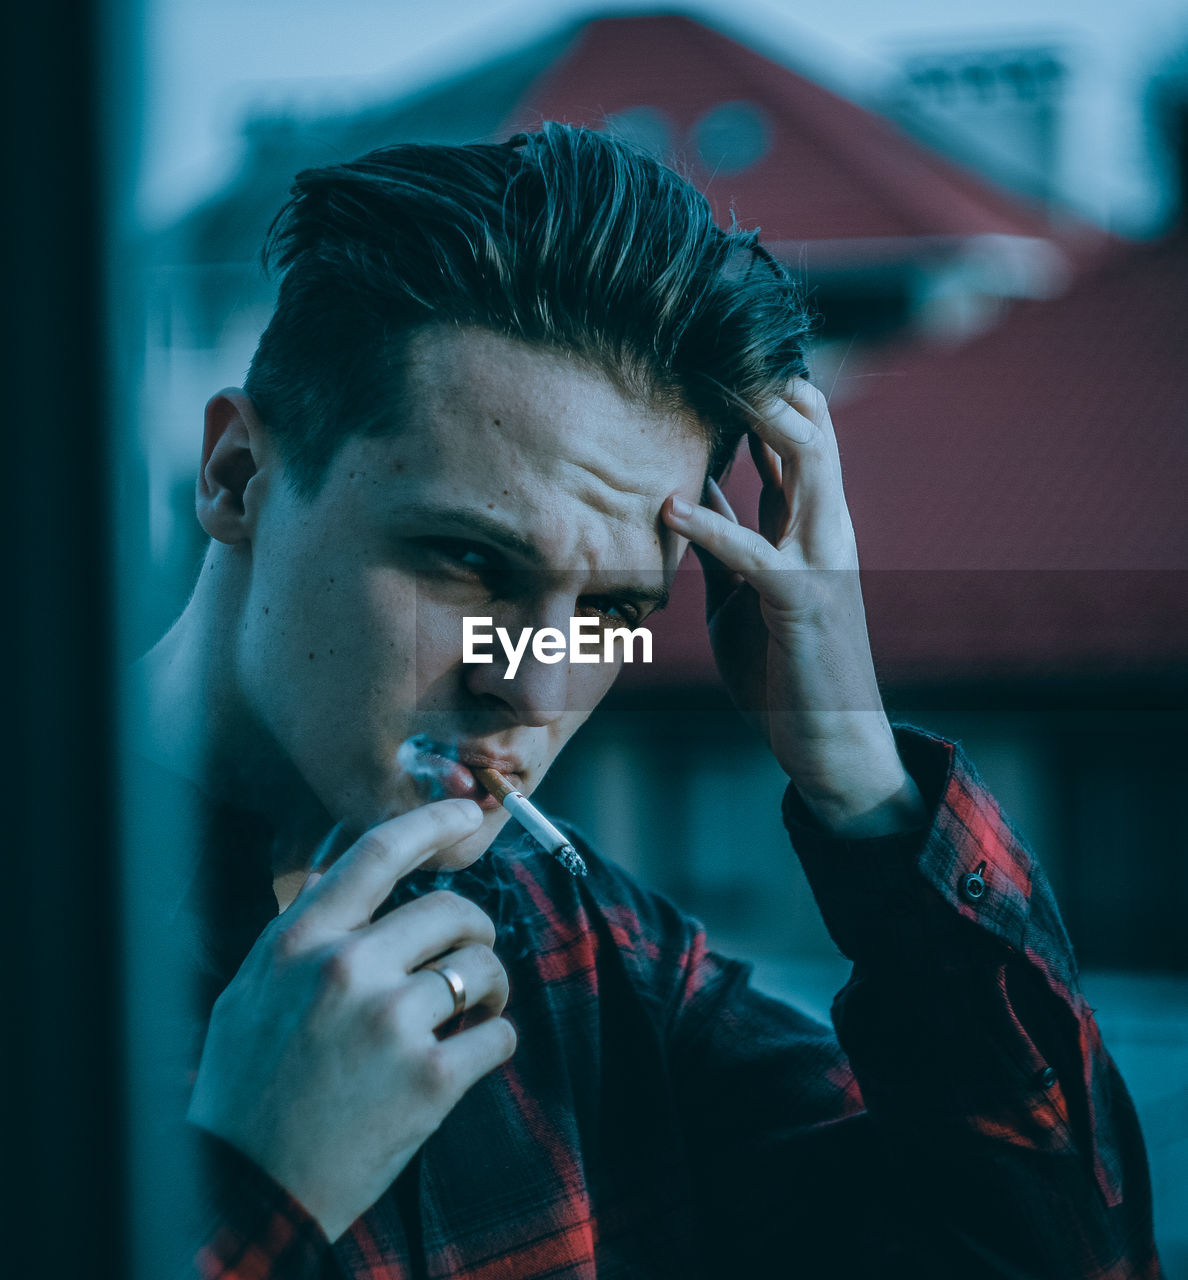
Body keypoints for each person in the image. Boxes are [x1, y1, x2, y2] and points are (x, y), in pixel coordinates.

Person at [134, 124, 1163, 1278]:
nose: (530, 679)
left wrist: (859, 773)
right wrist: (253, 1193)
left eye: (614, 607)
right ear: (235, 477)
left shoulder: (586, 948)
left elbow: (1064, 1250)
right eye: (467, 562)